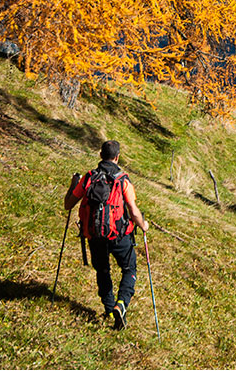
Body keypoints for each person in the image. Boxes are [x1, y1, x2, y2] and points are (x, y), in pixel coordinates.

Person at [64, 139, 149, 329]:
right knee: (129, 269)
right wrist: (143, 225)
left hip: (95, 236)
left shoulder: (88, 178)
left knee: (103, 271)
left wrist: (73, 184)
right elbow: (133, 211)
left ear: (100, 155)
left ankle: (110, 308)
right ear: (117, 157)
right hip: (119, 237)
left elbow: (68, 204)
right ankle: (121, 305)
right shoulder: (122, 180)